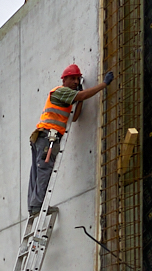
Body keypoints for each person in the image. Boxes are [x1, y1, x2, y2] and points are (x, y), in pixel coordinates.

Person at [28, 65, 115, 216]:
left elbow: (74, 117)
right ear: (64, 80)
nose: (76, 81)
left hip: (42, 137)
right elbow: (82, 96)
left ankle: (33, 206)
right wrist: (104, 84)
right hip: (48, 138)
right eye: (73, 78)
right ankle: (37, 206)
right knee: (44, 171)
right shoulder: (60, 91)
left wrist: (79, 99)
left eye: (77, 79)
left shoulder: (66, 98)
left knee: (37, 172)